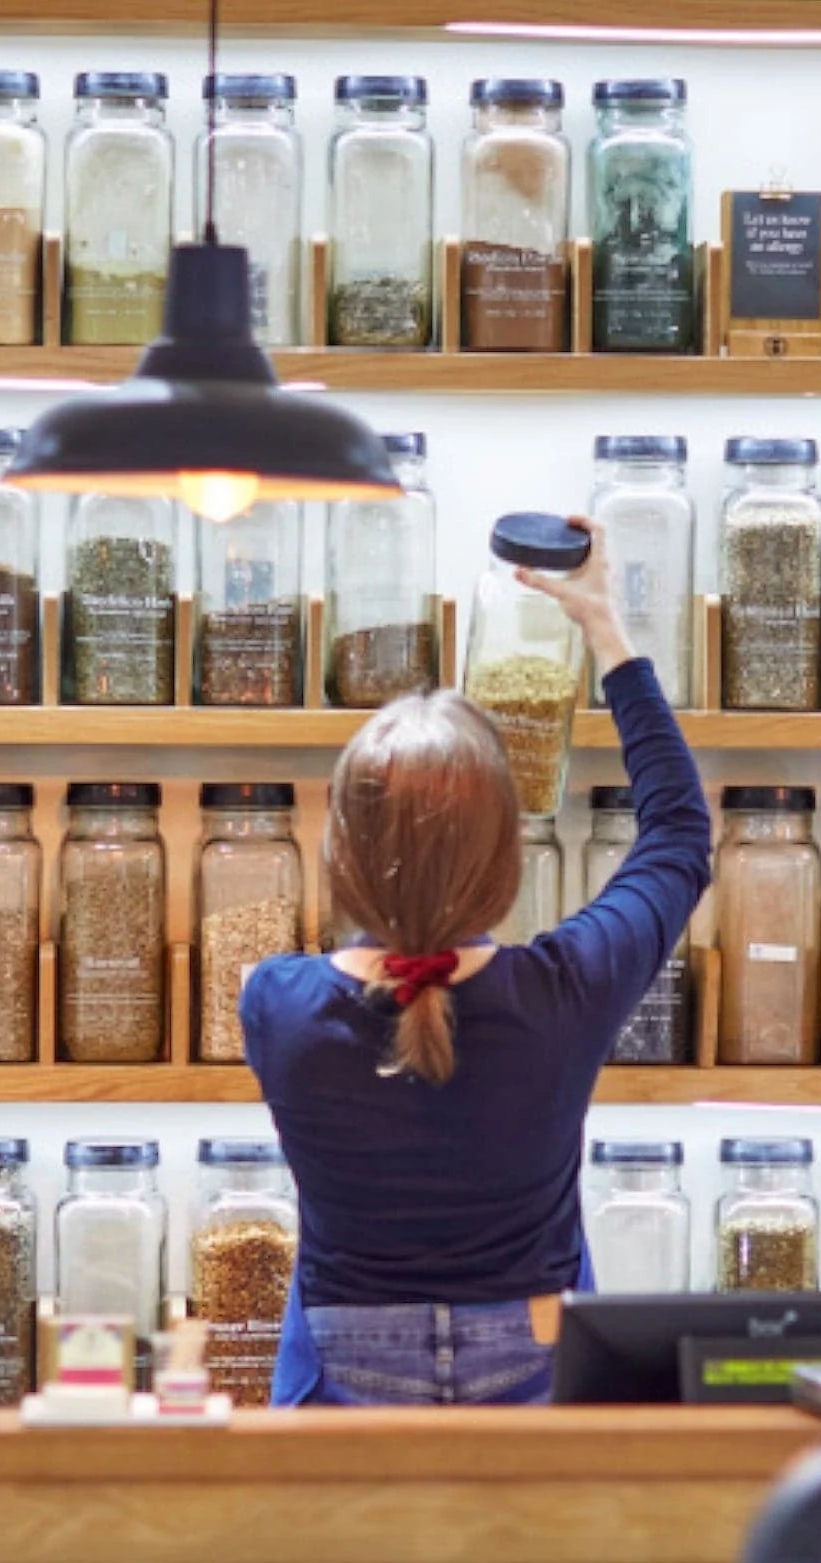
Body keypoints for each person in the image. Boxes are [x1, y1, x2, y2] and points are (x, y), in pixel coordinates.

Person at [241, 515, 712, 1406]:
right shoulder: (565, 991)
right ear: (505, 855)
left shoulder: (277, 1003)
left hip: (348, 1369)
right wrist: (604, 629)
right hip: (533, 1360)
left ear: (342, 850)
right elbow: (680, 835)